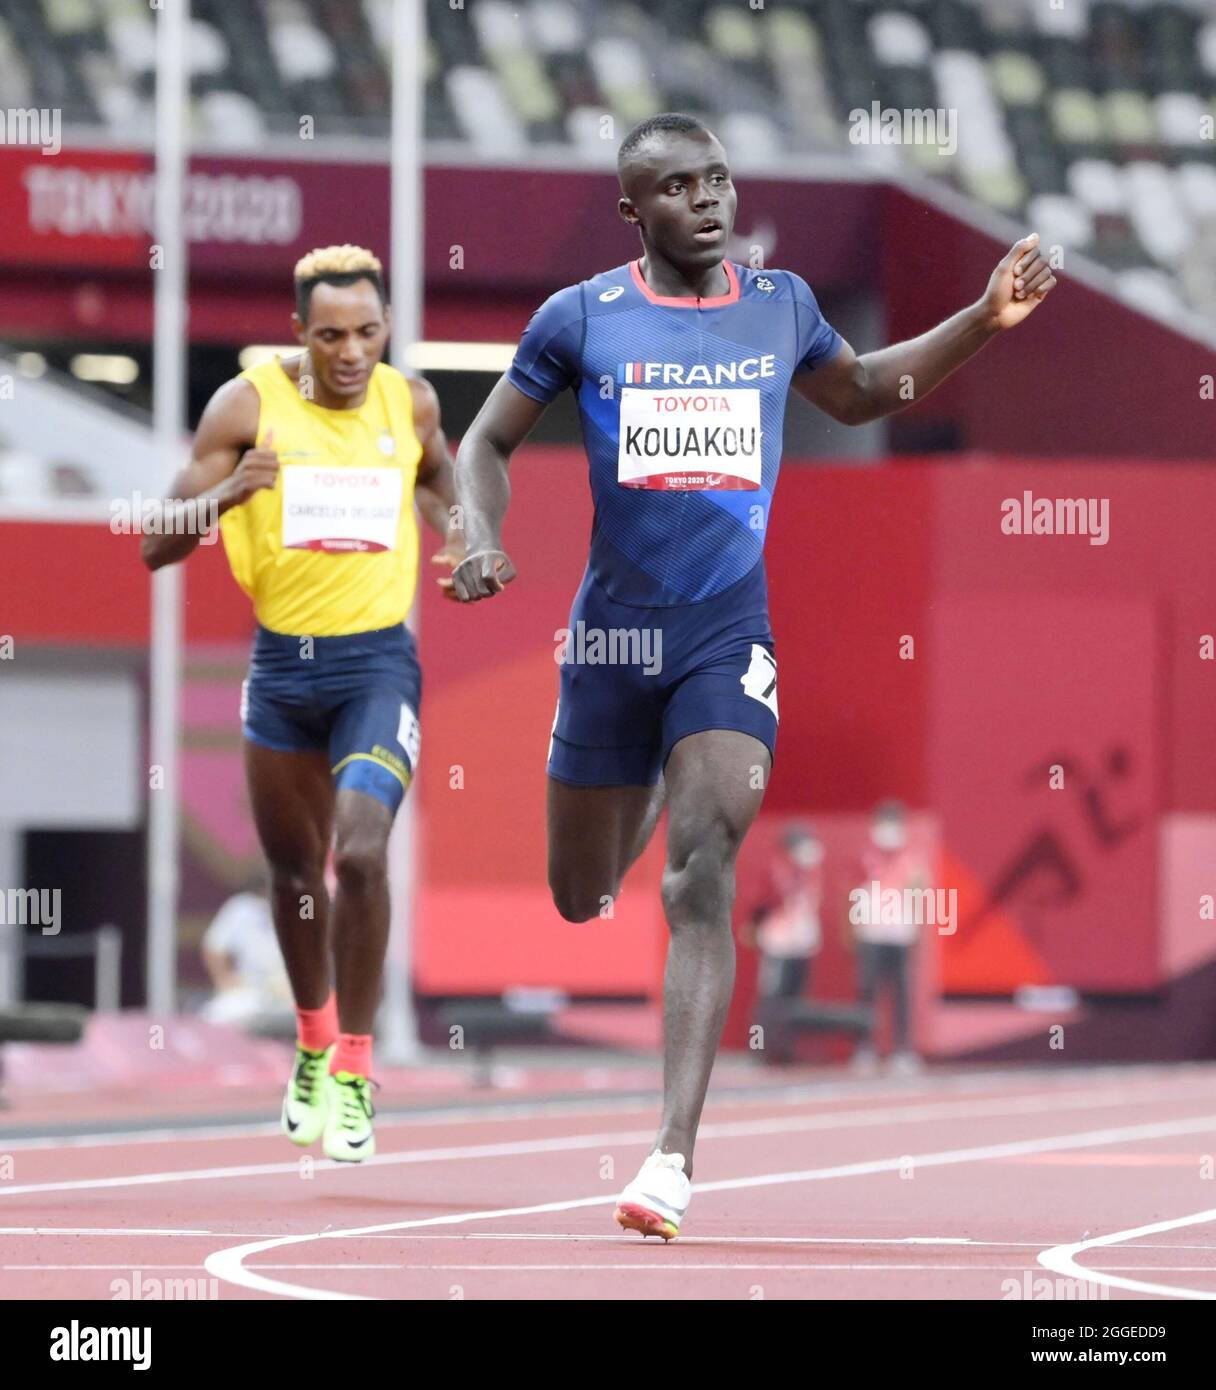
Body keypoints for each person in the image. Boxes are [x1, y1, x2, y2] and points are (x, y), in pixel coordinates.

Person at [450, 112, 1055, 1238]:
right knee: (580, 895)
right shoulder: (579, 317)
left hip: (728, 634)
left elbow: (866, 391)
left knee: (704, 868)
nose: (708, 199)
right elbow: (482, 444)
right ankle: (624, 797)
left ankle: (670, 1157)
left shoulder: (781, 307)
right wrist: (479, 537)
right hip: (608, 643)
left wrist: (980, 318)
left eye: (718, 178)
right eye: (677, 187)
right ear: (636, 212)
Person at [141, 244, 462, 1162]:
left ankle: (356, 1070)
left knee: (360, 854)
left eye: (368, 332)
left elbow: (437, 475)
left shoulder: (412, 401)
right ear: (298, 335)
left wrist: (463, 532)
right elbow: (153, 547)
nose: (352, 353)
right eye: (331, 337)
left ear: (386, 328)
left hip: (376, 667)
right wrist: (228, 494)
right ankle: (314, 1041)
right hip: (282, 671)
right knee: (292, 876)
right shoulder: (246, 407)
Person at [849, 801, 930, 1076]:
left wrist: (918, 931)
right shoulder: (865, 857)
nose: (888, 831)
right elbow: (851, 894)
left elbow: (919, 894)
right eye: (883, 823)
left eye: (893, 824)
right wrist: (852, 929)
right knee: (867, 992)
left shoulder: (912, 859)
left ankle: (902, 1051)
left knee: (901, 995)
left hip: (899, 934)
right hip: (871, 932)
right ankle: (864, 1048)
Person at [745, 822, 824, 1063]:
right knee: (771, 997)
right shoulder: (775, 871)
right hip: (778, 944)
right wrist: (755, 928)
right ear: (791, 848)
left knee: (794, 999)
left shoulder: (809, 874)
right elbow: (759, 904)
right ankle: (758, 1047)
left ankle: (785, 1048)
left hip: (800, 946)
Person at [199, 874, 291, 1028]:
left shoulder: (302, 909)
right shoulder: (242, 909)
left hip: (289, 996)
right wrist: (224, 980)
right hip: (250, 991)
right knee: (219, 1014)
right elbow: (213, 947)